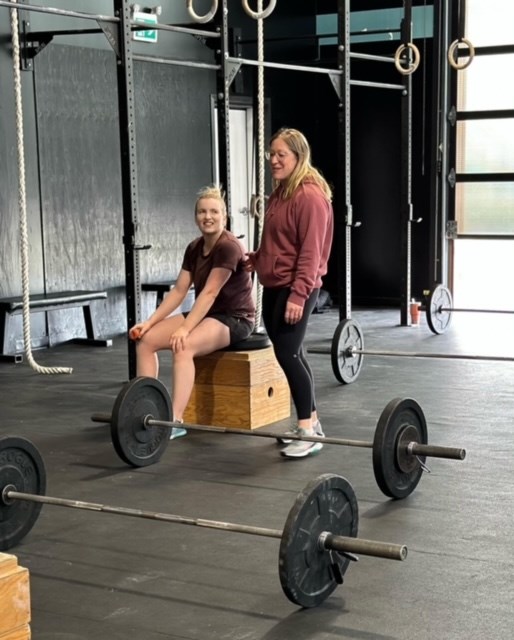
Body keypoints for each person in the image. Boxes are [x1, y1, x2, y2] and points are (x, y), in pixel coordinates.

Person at [129, 185, 255, 439]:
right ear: (196, 216)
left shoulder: (228, 247)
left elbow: (209, 293)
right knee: (145, 340)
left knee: (183, 346)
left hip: (234, 318)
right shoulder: (194, 247)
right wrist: (150, 322)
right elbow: (179, 291)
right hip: (205, 314)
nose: (207, 217)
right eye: (201, 212)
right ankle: (144, 408)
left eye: (214, 212)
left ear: (225, 216)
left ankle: (174, 420)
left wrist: (185, 329)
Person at [246, 128, 334, 458]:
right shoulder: (281, 193)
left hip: (296, 288)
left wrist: (299, 295)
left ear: (298, 156)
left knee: (288, 354)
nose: (274, 160)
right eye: (271, 154)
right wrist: (256, 259)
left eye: (281, 154)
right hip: (274, 284)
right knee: (292, 354)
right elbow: (277, 242)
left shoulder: (309, 196)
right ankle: (310, 422)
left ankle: (308, 431)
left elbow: (311, 253)